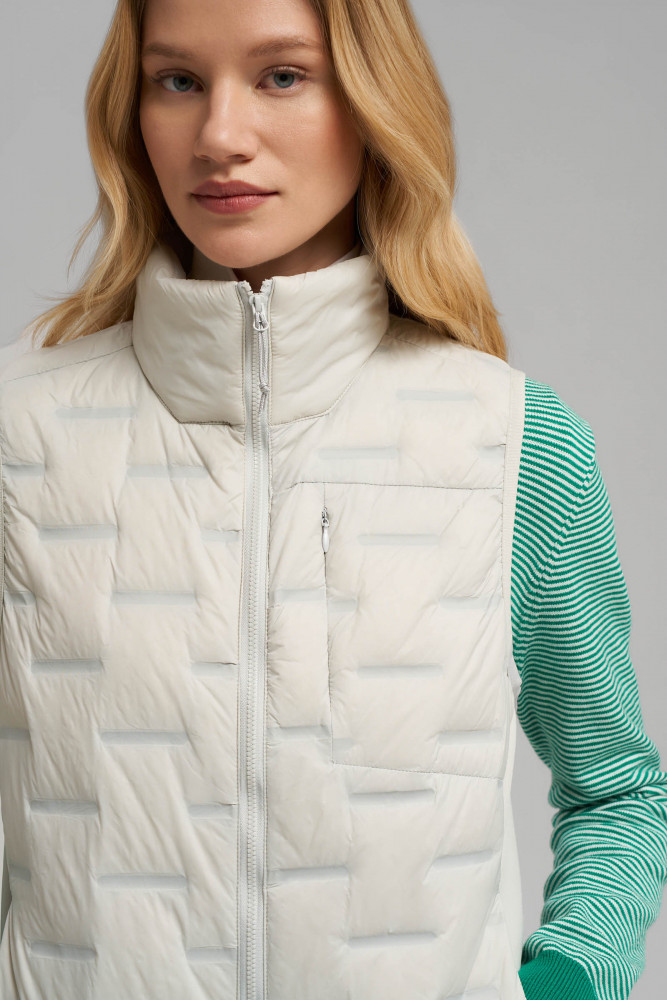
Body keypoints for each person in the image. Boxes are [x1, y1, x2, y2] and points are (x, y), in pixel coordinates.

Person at [0, 0, 665, 998]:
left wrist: (566, 984)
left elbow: (616, 791)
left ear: (370, 100)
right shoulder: (19, 434)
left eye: (281, 76)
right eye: (177, 80)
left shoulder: (514, 444)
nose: (220, 135)